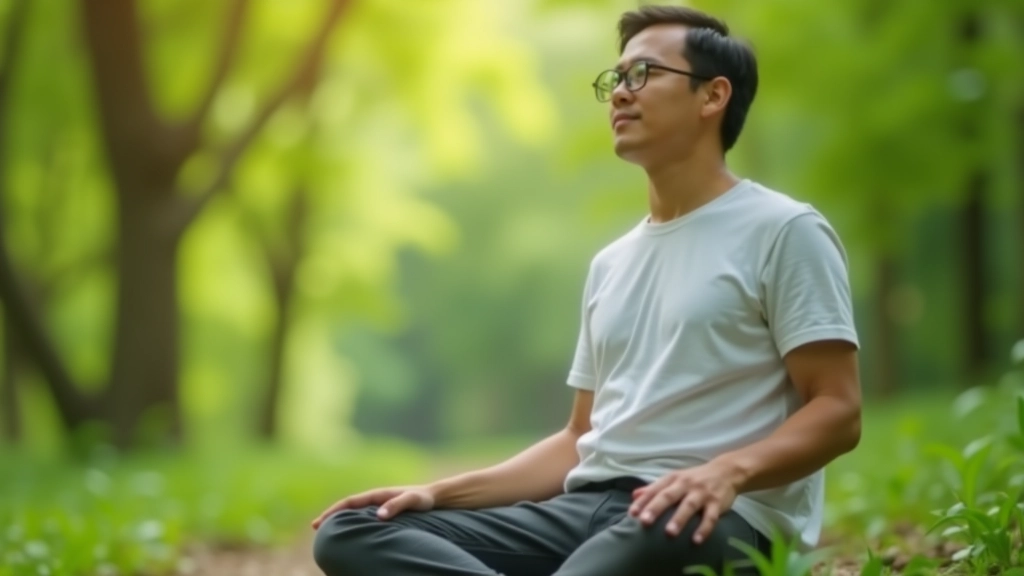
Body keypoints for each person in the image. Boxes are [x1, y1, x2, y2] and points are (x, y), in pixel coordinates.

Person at [310, 5, 862, 575]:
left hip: (708, 522)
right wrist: (439, 495)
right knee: (351, 530)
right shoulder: (611, 263)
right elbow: (580, 436)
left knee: (647, 536)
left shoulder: (783, 230)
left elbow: (838, 410)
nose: (621, 92)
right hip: (585, 513)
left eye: (644, 73)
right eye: (617, 78)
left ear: (712, 96)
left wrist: (727, 471)